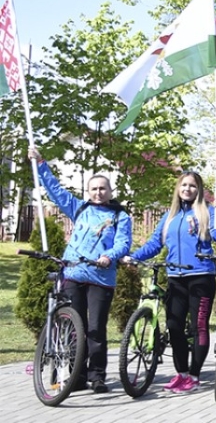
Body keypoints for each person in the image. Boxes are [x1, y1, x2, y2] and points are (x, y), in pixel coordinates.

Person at [30, 146, 132, 393]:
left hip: (100, 278)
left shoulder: (121, 216)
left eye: (102, 188)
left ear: (110, 191)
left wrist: (110, 256)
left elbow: (123, 243)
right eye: (94, 189)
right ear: (89, 191)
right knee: (76, 328)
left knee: (96, 329)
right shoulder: (80, 208)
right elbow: (56, 192)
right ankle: (76, 376)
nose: (98, 192)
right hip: (73, 274)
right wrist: (41, 164)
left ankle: (97, 376)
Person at [125, 171, 216, 394]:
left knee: (198, 326)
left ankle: (194, 376)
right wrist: (135, 257)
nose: (188, 189)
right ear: (178, 188)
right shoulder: (170, 217)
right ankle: (181, 373)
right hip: (176, 278)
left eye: (192, 186)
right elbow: (155, 243)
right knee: (174, 326)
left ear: (199, 189)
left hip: (201, 277)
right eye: (184, 185)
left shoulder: (208, 212)